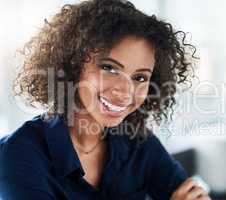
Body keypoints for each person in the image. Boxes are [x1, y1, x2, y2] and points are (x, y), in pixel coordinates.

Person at [0, 0, 211, 199]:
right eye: (109, 68)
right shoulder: (19, 154)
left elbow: (191, 194)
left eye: (140, 77)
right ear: (72, 64)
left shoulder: (138, 141)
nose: (125, 91)